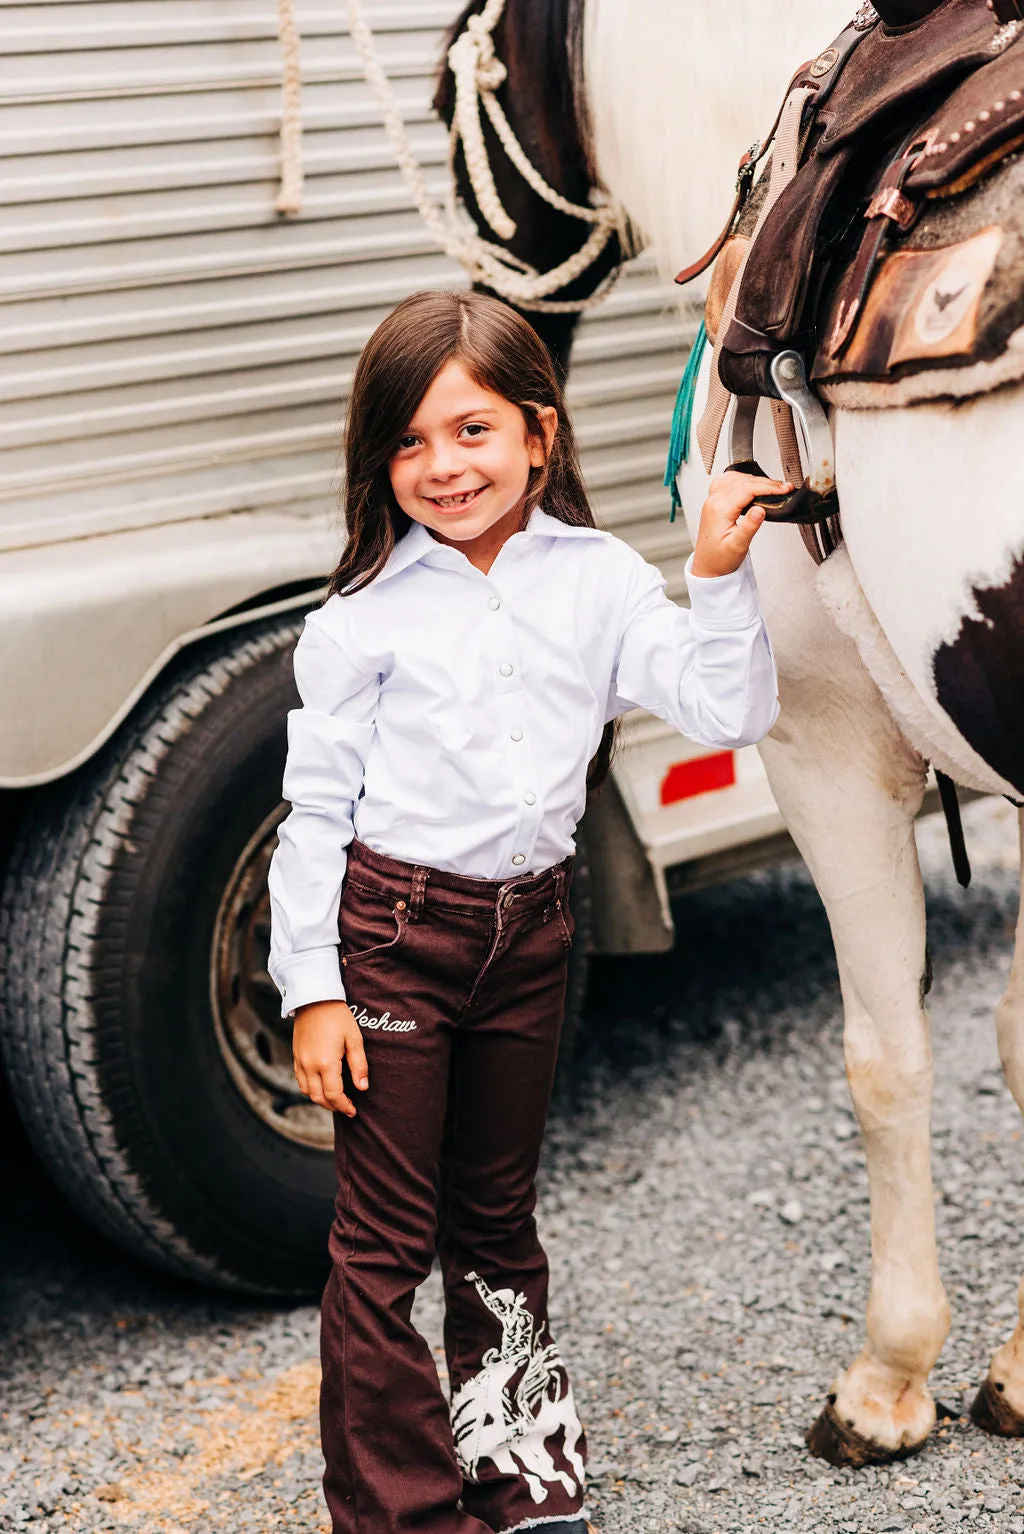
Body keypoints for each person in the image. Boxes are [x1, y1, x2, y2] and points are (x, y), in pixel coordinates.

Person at [267, 289, 784, 1534]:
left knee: (497, 1222)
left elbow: (726, 715)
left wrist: (717, 579)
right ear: (375, 458)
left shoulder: (599, 579)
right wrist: (313, 988)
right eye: (407, 441)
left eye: (472, 431)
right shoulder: (359, 618)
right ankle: (401, 1512)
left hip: (533, 933)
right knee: (383, 1245)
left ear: (539, 436)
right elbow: (314, 820)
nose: (441, 467)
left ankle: (523, 1479)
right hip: (392, 935)